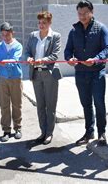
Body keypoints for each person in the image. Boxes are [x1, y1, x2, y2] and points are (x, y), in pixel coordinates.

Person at [64, 0, 108, 146]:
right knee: (86, 104)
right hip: (80, 73)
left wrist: (96, 59)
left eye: (85, 13)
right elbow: (67, 50)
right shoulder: (73, 31)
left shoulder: (101, 28)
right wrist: (69, 59)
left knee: (99, 103)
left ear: (92, 12)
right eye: (79, 13)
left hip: (97, 73)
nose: (82, 16)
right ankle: (88, 132)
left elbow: (107, 49)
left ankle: (101, 133)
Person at [24, 11, 62, 145]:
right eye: (39, 22)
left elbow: (55, 55)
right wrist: (28, 57)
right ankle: (43, 131)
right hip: (36, 74)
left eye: (44, 23)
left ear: (50, 23)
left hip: (50, 74)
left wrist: (42, 60)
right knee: (40, 105)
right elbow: (27, 50)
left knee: (50, 105)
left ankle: (49, 133)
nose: (41, 25)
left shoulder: (55, 36)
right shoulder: (33, 36)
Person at [0, 22, 24, 142]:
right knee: (4, 105)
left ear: (12, 33)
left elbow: (15, 59)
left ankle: (18, 128)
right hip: (3, 79)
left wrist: (4, 61)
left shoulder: (18, 45)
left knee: (16, 104)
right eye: (3, 35)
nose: (5, 38)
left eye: (7, 35)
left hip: (15, 78)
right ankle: (6, 130)